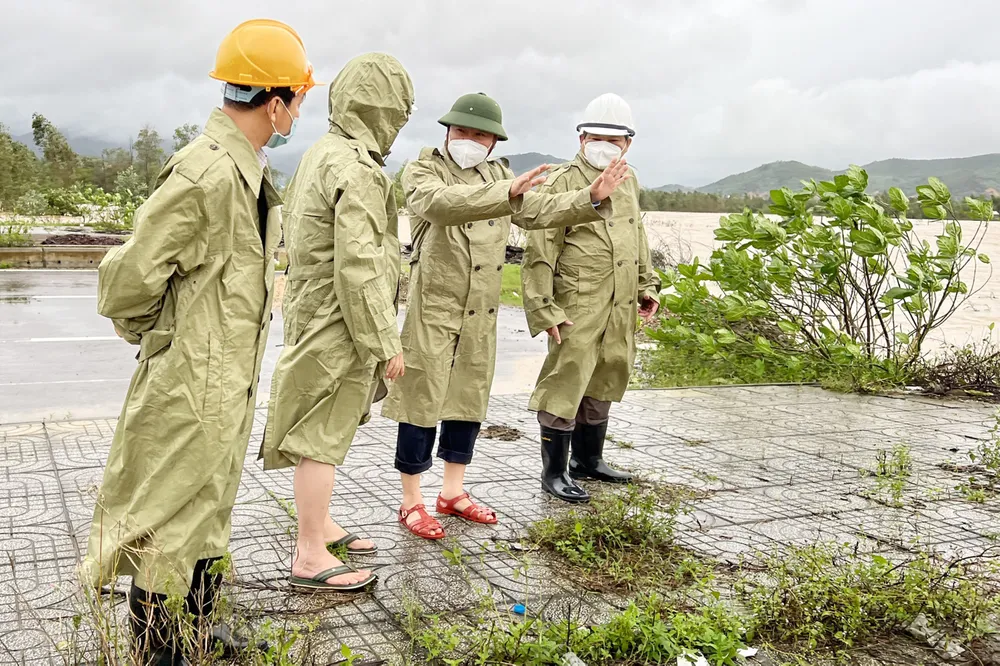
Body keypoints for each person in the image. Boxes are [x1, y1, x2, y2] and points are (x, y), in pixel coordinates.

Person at [78, 19, 319, 664]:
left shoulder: (248, 173)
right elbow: (127, 282)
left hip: (227, 379)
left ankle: (198, 631)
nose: (299, 109)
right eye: (297, 98)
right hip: (190, 382)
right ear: (275, 103)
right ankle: (159, 652)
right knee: (170, 518)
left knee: (211, 507)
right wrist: (163, 339)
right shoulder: (204, 174)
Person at [382, 92, 632, 539]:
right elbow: (439, 203)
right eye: (463, 131)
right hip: (434, 310)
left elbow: (534, 211)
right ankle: (412, 501)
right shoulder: (423, 168)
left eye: (481, 134)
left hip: (481, 311)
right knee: (420, 402)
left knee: (467, 400)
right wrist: (507, 194)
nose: (470, 140)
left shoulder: (499, 173)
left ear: (494, 142)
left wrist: (589, 197)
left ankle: (453, 493)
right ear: (447, 131)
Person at [260, 53, 414, 590]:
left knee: (318, 422)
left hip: (311, 309)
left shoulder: (320, 154)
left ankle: (319, 525)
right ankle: (309, 554)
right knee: (322, 432)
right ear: (387, 112)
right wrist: (384, 339)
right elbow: (360, 264)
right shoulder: (359, 170)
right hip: (340, 320)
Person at [521, 93, 661, 503]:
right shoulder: (563, 181)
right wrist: (543, 307)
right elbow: (540, 252)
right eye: (595, 137)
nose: (603, 145)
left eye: (613, 140)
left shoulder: (629, 179)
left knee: (607, 373)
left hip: (618, 302)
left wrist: (646, 286)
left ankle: (589, 460)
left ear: (628, 144)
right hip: (576, 301)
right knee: (567, 378)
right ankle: (554, 472)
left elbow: (637, 237)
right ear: (581, 137)